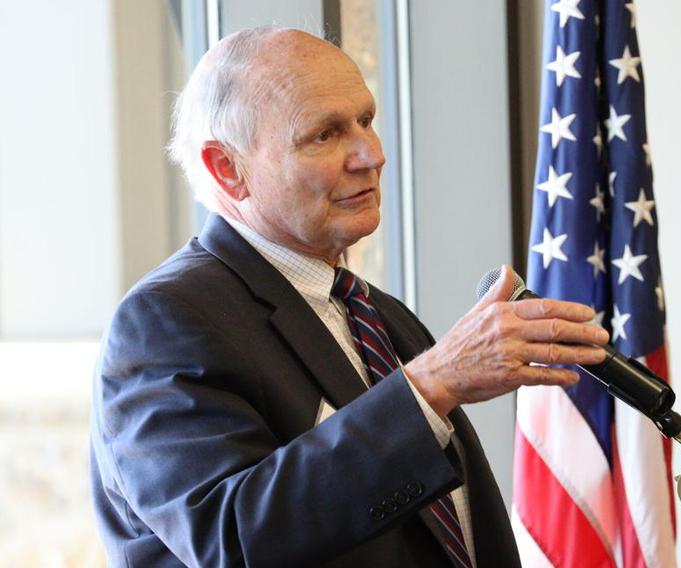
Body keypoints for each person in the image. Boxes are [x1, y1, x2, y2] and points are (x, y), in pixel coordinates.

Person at [89, 27, 610, 567]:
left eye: (366, 120)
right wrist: (433, 384)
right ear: (228, 168)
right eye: (324, 134)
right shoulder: (165, 321)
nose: (372, 155)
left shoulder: (381, 315)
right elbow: (232, 540)